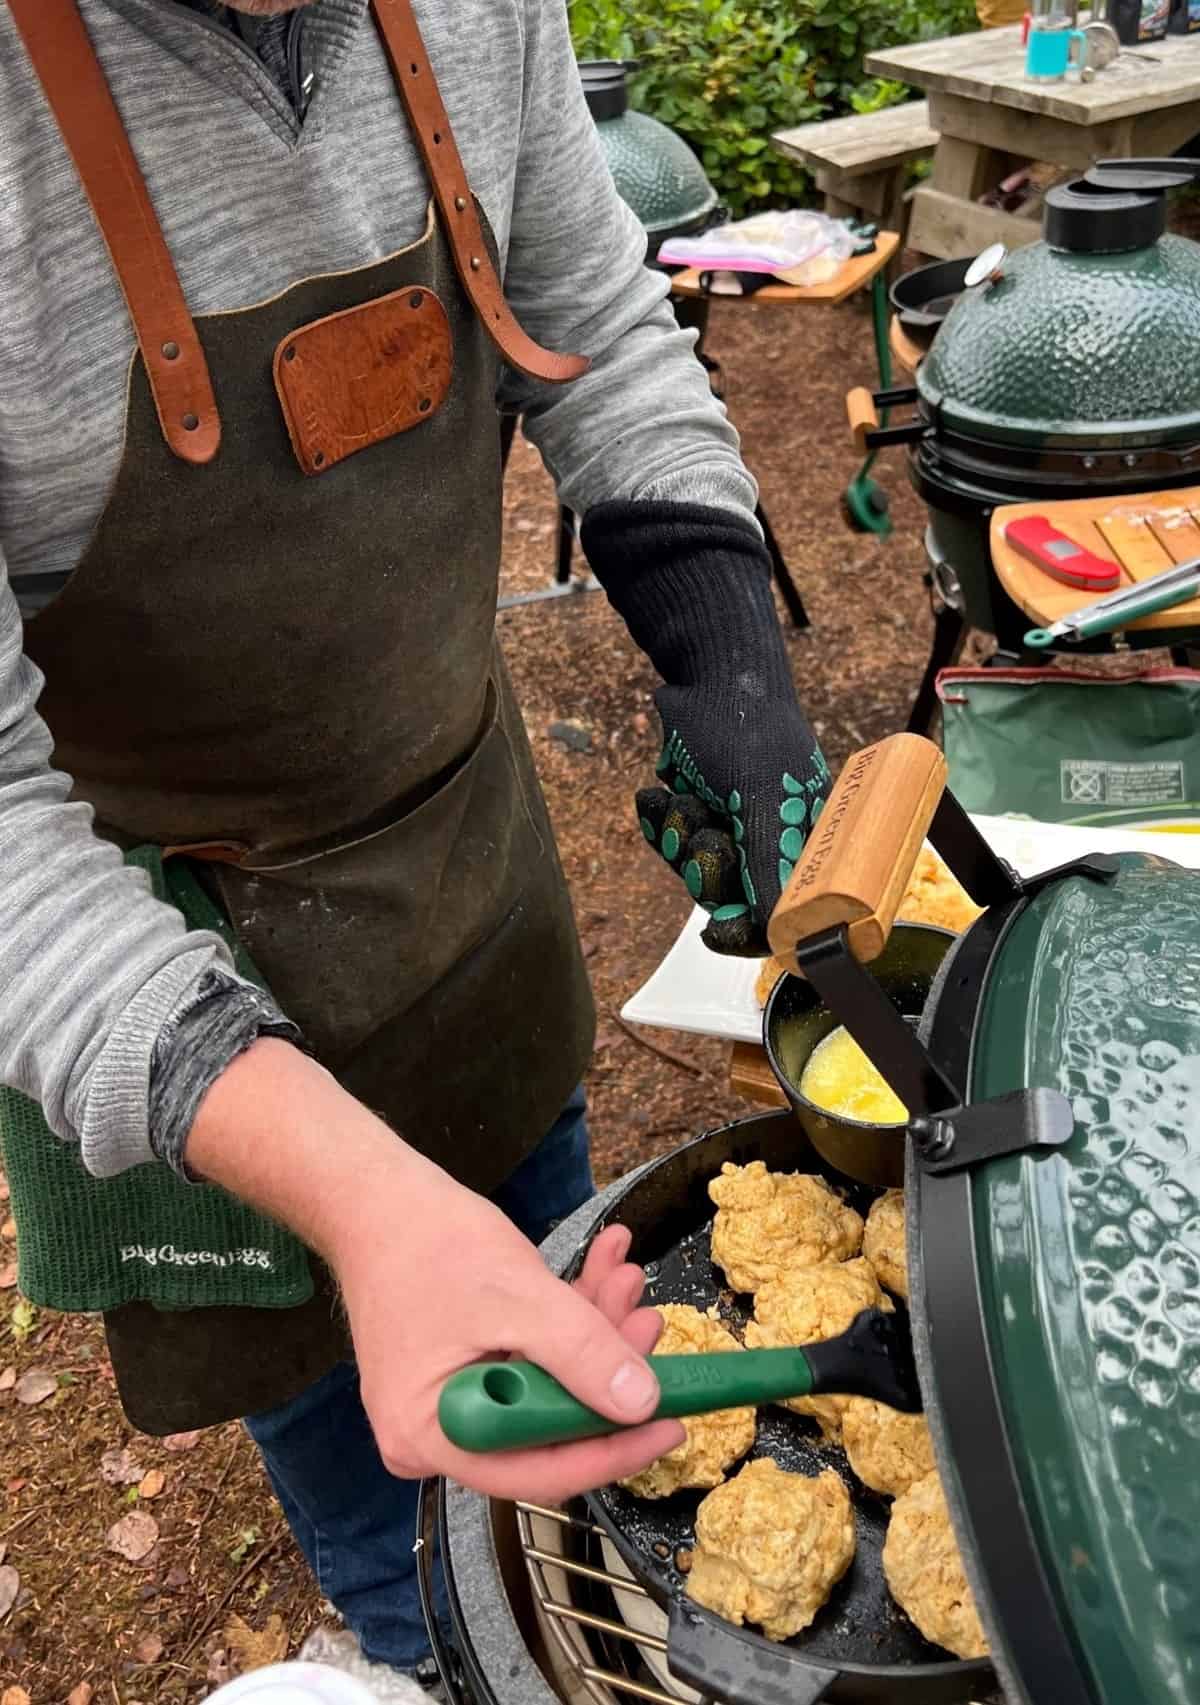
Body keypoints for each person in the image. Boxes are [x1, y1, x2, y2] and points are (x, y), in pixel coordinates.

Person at [0, 0, 829, 1687]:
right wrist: (366, 1208)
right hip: (171, 998)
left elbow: (594, 308)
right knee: (426, 1558)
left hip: (470, 875)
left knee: (563, 1263)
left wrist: (722, 641)